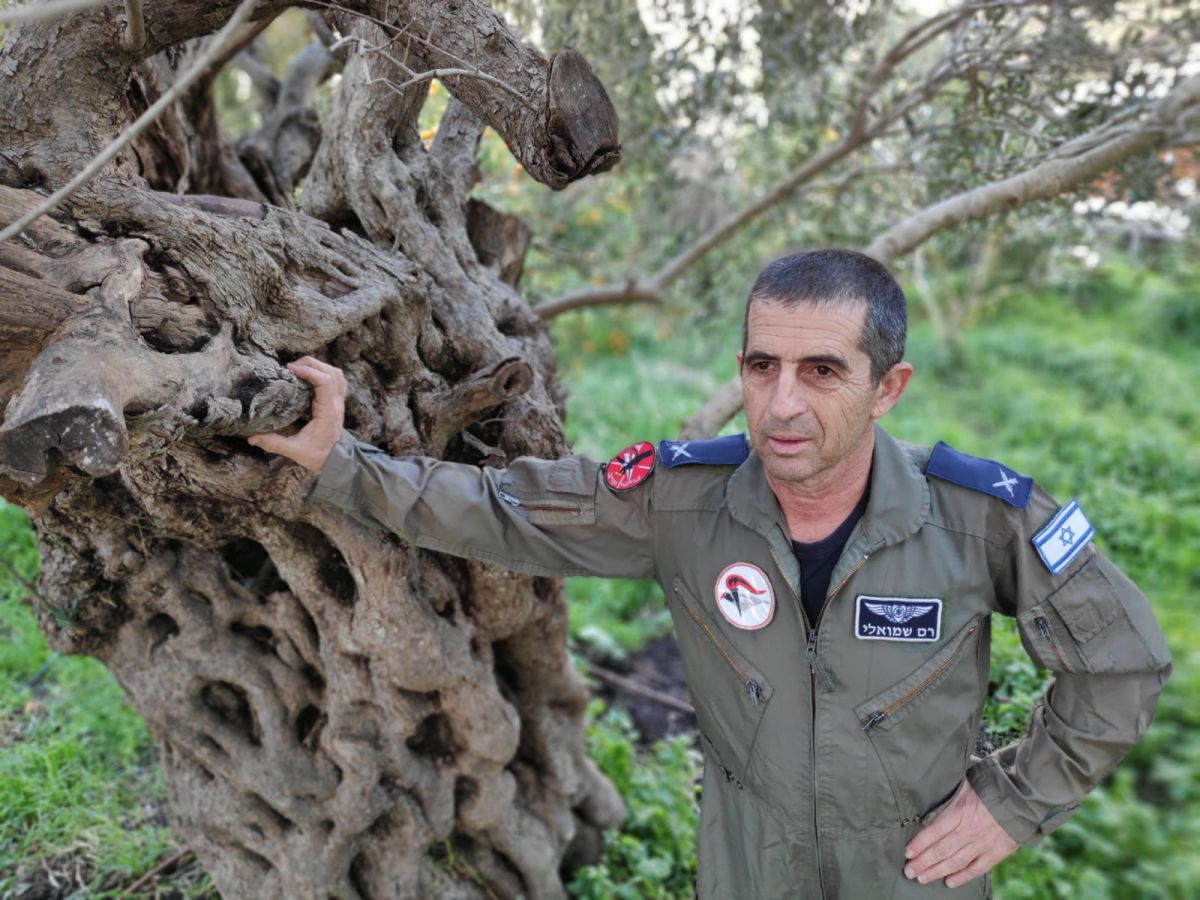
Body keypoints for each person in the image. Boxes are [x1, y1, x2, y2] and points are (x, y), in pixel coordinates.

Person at [248, 249, 1171, 899]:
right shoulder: (685, 500)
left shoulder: (982, 515)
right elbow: (503, 510)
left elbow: (1122, 662)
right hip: (746, 860)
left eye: (822, 371)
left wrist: (1013, 804)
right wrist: (342, 463)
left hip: (914, 870)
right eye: (762, 365)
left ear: (888, 388)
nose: (781, 404)